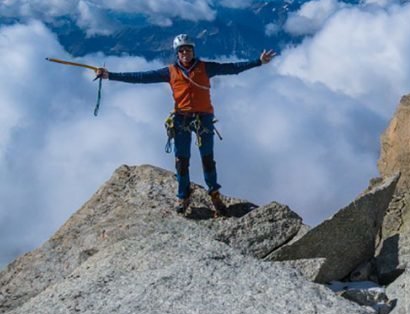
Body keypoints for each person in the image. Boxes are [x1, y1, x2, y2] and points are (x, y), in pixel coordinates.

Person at [96, 34, 276, 215]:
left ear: (193, 51)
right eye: (181, 50)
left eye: (187, 50)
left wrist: (258, 62)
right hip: (181, 119)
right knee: (181, 161)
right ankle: (183, 196)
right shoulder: (171, 71)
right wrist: (110, 75)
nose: (184, 53)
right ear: (177, 53)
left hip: (202, 118)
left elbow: (232, 68)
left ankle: (214, 194)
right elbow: (141, 77)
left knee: (207, 159)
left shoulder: (206, 68)